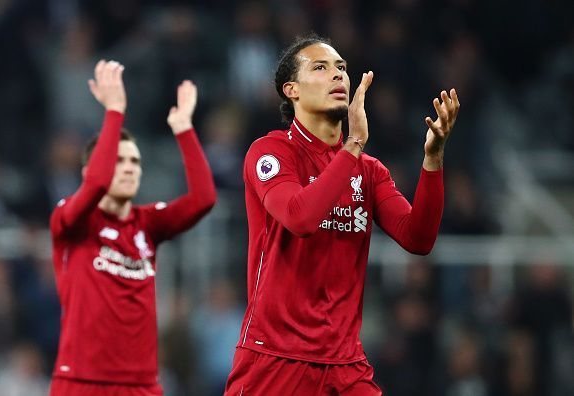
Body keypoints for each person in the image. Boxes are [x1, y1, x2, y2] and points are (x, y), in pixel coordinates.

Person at [224, 34, 460, 395]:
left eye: (341, 68)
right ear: (292, 90)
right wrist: (352, 147)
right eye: (320, 67)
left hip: (345, 366)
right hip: (275, 359)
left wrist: (433, 160)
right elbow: (299, 218)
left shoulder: (368, 170)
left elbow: (419, 238)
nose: (337, 75)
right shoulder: (270, 152)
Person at [48, 60, 216, 396]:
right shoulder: (71, 221)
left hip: (142, 385)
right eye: (119, 160)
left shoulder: (147, 224)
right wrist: (115, 111)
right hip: (82, 381)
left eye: (135, 162)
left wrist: (183, 127)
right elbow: (96, 183)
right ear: (88, 172)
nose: (128, 168)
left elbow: (203, 199)